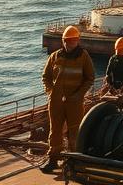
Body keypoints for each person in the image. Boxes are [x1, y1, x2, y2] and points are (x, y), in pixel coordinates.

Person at [40, 25, 96, 173]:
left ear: (77, 41)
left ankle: (74, 160)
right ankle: (53, 159)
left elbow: (90, 78)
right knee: (55, 131)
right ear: (63, 41)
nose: (70, 43)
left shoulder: (83, 57)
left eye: (73, 40)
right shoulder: (55, 57)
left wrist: (79, 95)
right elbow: (46, 77)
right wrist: (51, 92)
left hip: (75, 102)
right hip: (56, 101)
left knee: (74, 131)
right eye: (67, 40)